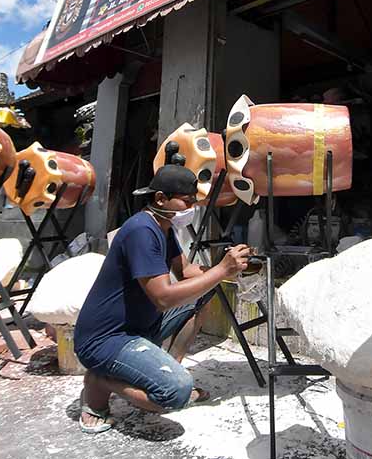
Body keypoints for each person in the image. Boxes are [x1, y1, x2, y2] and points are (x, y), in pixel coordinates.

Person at [74, 165, 252, 434]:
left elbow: (186, 271)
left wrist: (232, 271)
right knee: (175, 394)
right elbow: (163, 298)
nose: (191, 208)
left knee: (199, 298)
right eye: (187, 201)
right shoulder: (141, 231)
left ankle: (161, 371)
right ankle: (99, 383)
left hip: (137, 328)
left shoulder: (163, 227)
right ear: (160, 198)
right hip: (105, 339)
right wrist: (220, 270)